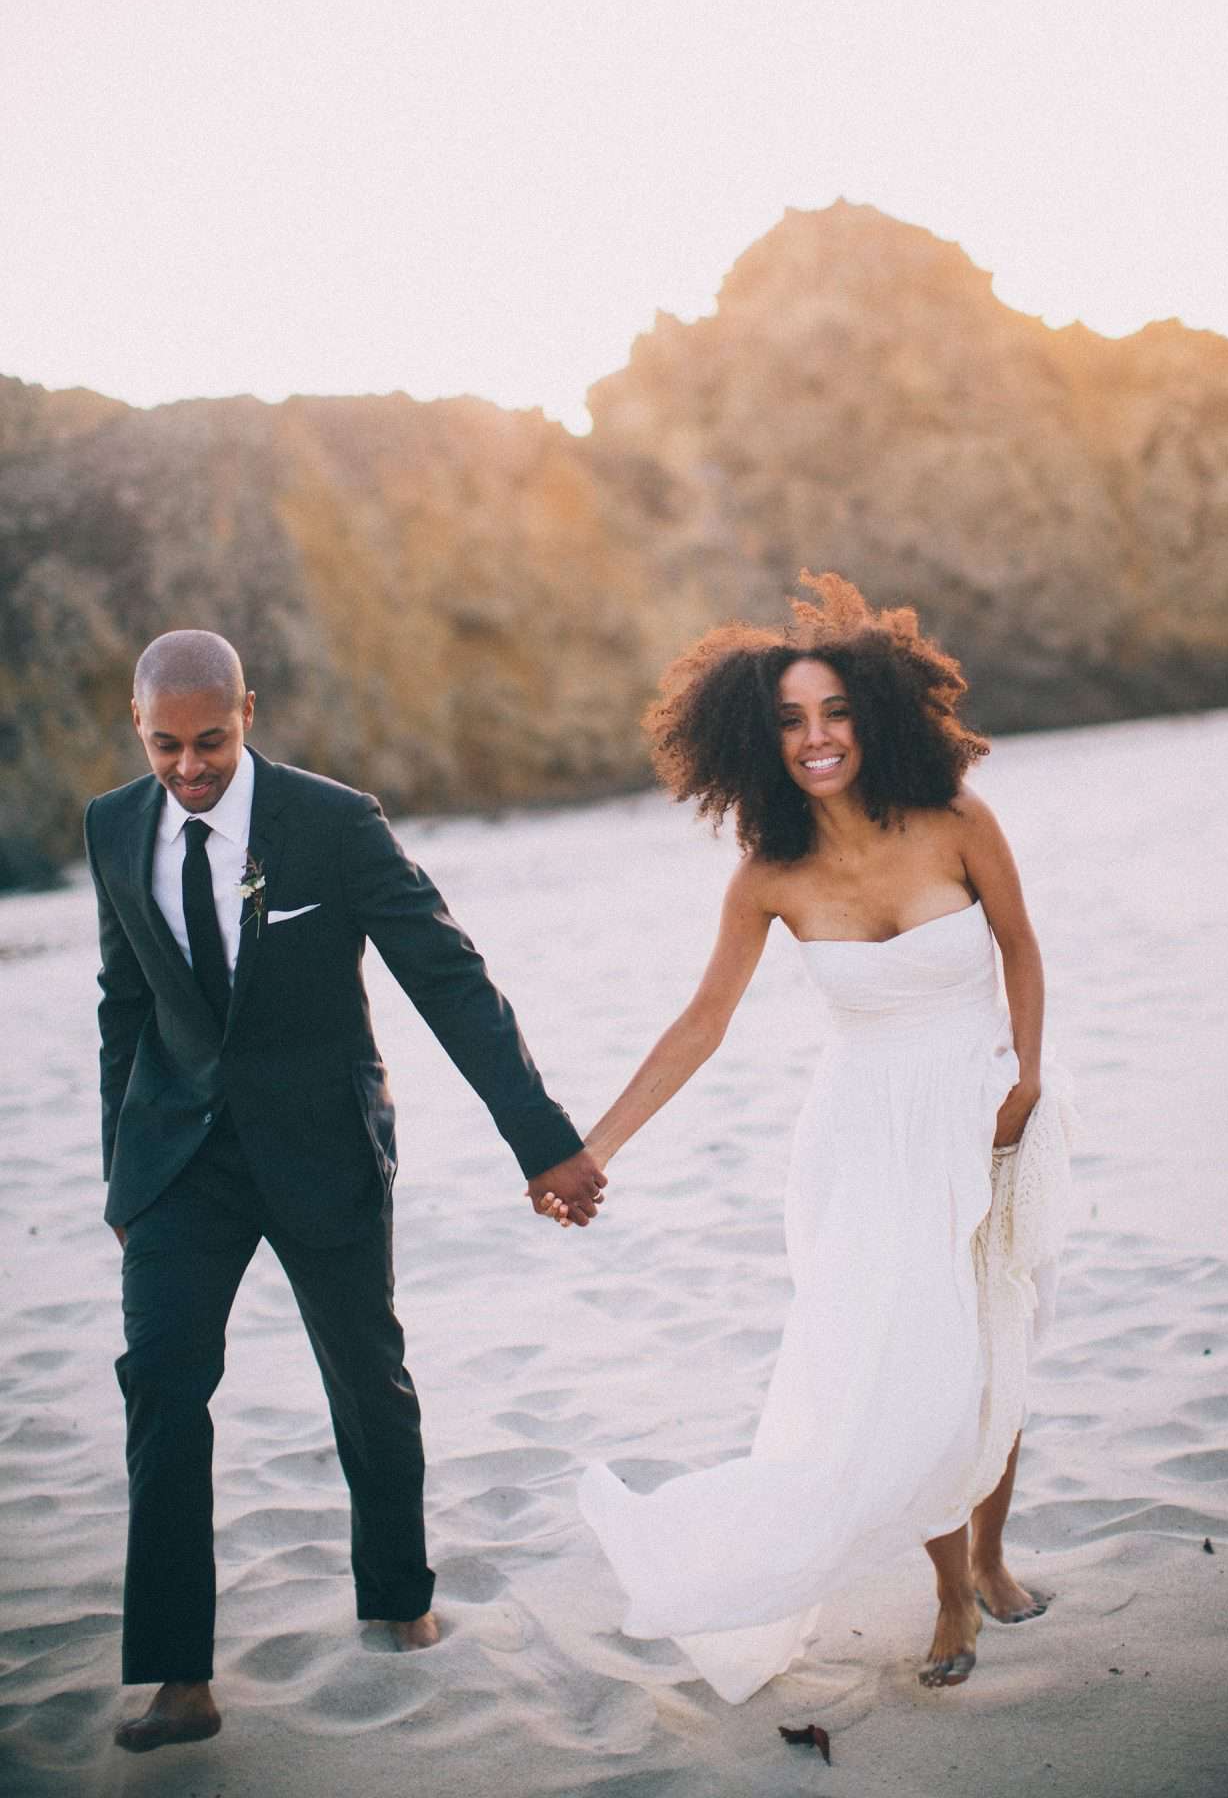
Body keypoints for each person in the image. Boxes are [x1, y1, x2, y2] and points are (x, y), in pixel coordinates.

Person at [555, 571, 1073, 1704]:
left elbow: (1023, 947)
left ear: (874, 712)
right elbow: (701, 1023)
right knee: (910, 1359)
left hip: (985, 1103)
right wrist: (594, 1147)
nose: (816, 736)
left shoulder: (955, 819)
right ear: (757, 739)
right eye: (789, 719)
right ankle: (947, 1584)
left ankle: (990, 1553)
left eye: (833, 710)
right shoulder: (768, 874)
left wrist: (1025, 1082)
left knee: (998, 1335)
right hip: (862, 1137)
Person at [85, 629, 606, 1753]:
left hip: (320, 1141)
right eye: (165, 745)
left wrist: (543, 1140)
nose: (188, 767)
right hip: (177, 1161)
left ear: (249, 712)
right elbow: (122, 1002)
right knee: (161, 1385)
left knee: (366, 1373)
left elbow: (447, 976)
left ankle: (396, 1596)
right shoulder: (112, 826)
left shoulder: (333, 822)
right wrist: (118, 1171)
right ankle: (177, 1675)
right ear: (140, 730)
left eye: (210, 741)